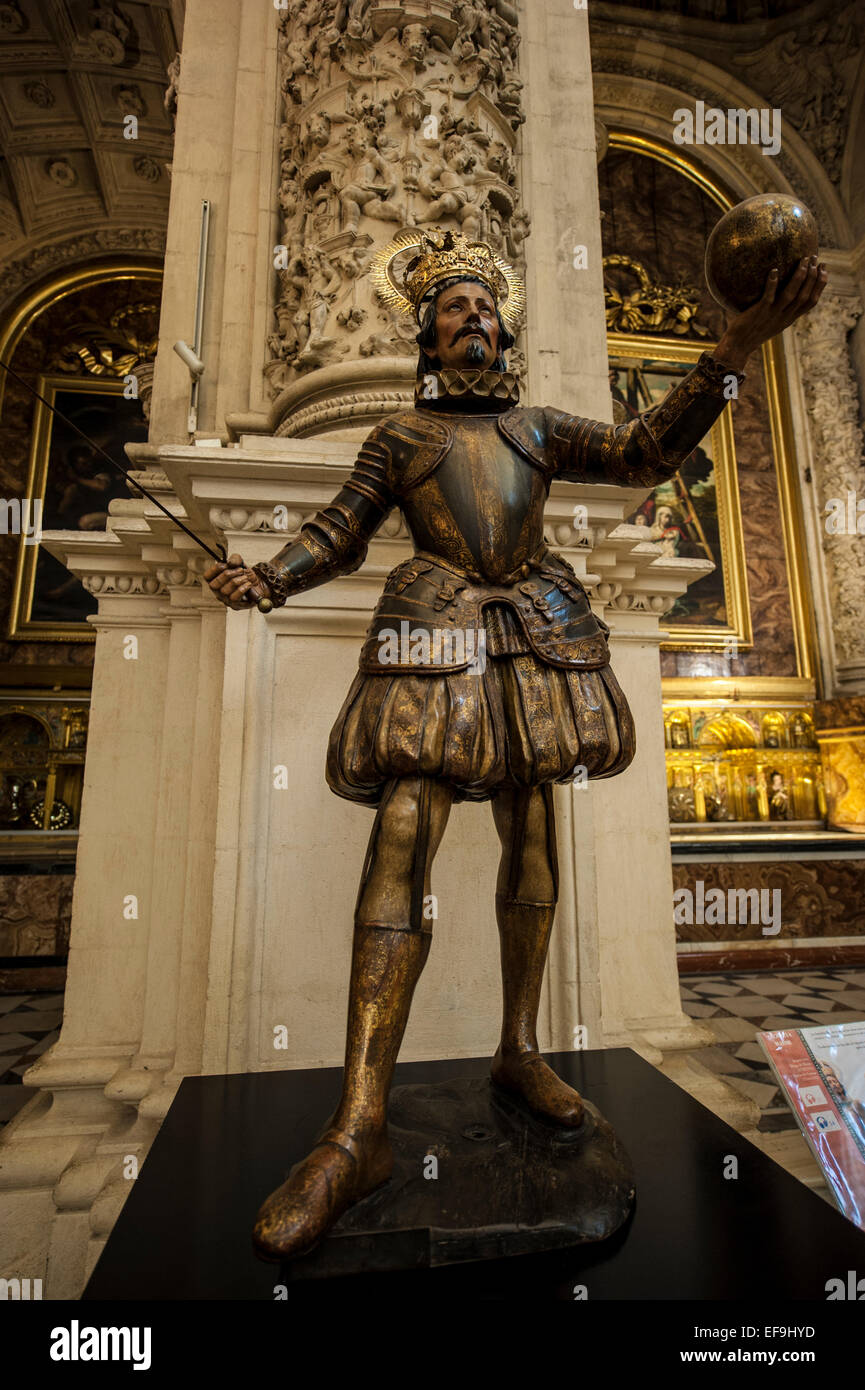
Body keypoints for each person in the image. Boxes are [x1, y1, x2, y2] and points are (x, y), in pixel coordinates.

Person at [205, 231, 826, 1260]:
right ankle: (358, 1124)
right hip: (431, 624)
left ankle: (518, 1047)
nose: (476, 320)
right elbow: (340, 530)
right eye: (456, 309)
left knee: (533, 827)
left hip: (535, 626)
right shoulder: (399, 436)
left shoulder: (535, 424)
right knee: (402, 826)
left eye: (486, 309)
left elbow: (642, 453)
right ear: (427, 332)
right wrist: (271, 576)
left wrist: (733, 351)